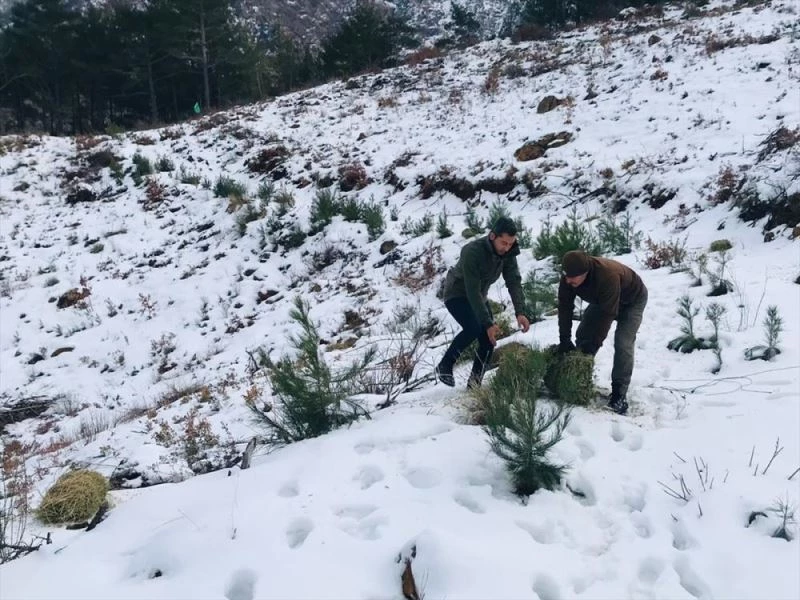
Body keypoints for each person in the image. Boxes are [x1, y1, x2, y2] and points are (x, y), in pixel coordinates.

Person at [436, 216, 530, 389]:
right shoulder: (472, 251)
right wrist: (487, 322)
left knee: (488, 339)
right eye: (504, 243)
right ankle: (445, 365)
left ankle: (474, 383)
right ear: (492, 236)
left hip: (479, 295)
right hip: (457, 293)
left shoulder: (508, 253)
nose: (507, 247)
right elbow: (471, 289)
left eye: (510, 243)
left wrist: (520, 312)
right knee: (474, 328)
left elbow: (514, 281)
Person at [557, 250, 648, 415]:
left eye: (572, 277)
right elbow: (564, 308)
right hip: (603, 300)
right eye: (566, 276)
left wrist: (595, 344)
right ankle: (578, 375)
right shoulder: (568, 279)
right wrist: (564, 339)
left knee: (623, 342)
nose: (568, 280)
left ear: (585, 273)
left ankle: (619, 393)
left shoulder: (607, 276)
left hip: (632, 300)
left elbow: (608, 314)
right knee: (584, 332)